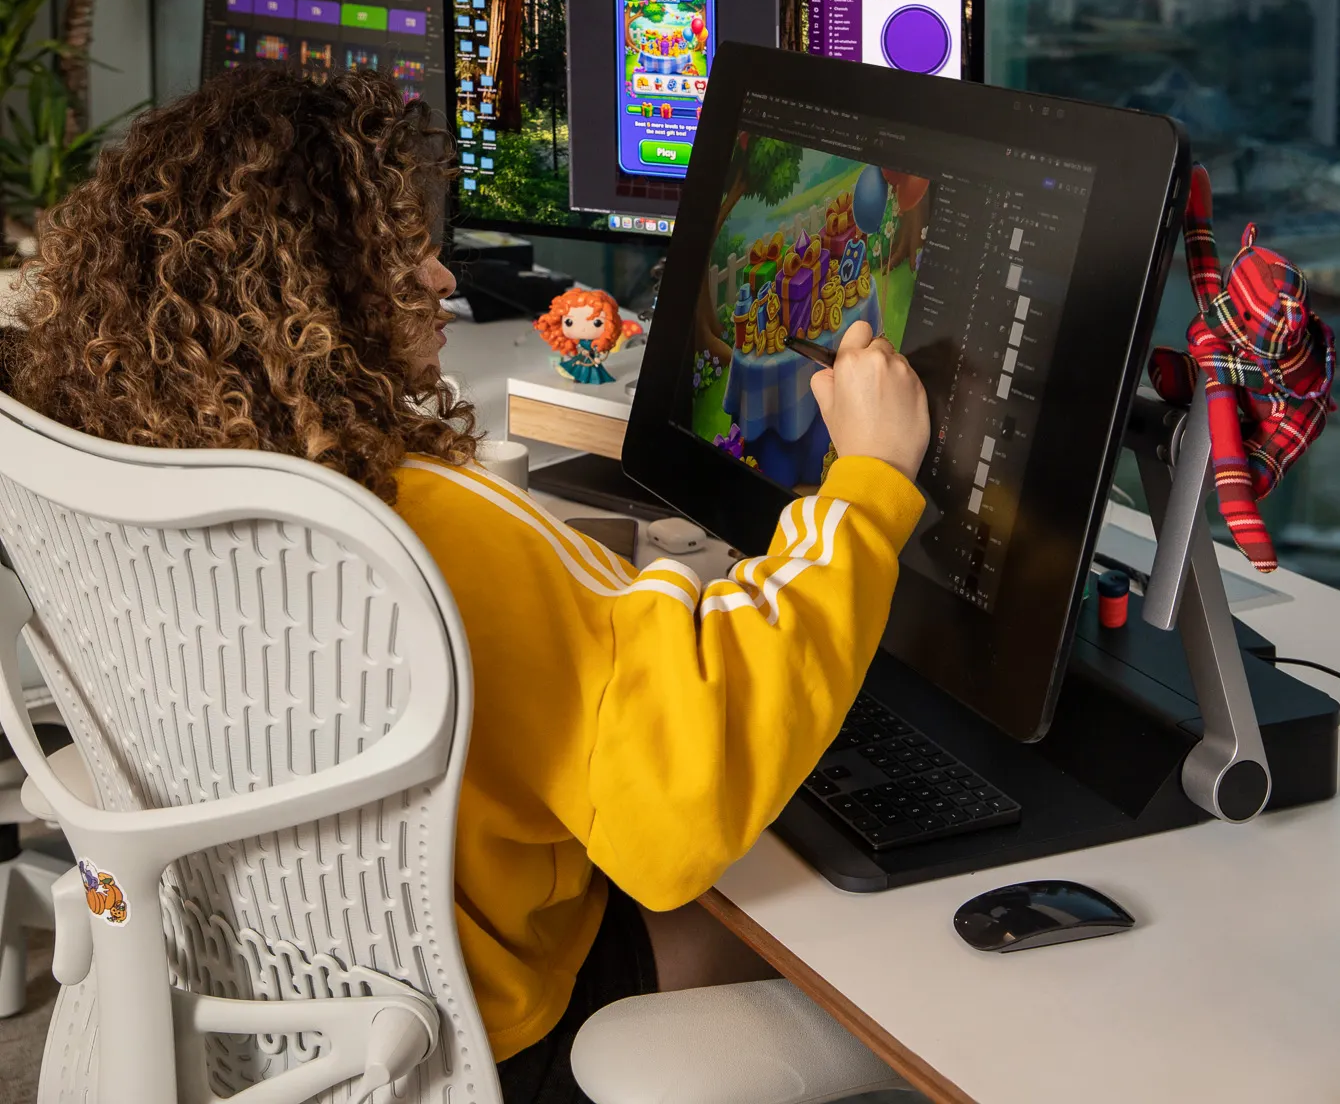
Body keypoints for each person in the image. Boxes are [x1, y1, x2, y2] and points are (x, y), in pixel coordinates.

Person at [1, 68, 929, 1102]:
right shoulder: (427, 529)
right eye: (400, 253)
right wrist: (871, 484)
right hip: (488, 1042)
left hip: (257, 1012)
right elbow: (677, 821)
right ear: (314, 291)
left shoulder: (128, 461)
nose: (443, 278)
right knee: (850, 940)